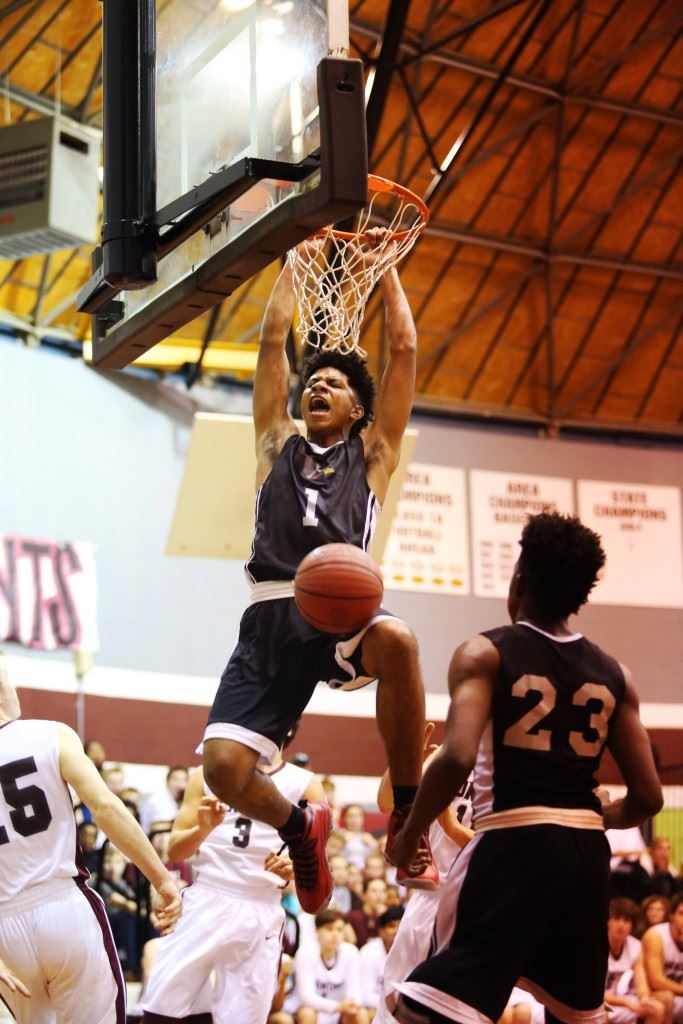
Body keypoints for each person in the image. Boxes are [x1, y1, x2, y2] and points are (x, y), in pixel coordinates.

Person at [202, 235, 435, 915]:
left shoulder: (372, 457)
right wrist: (291, 264)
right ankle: (301, 830)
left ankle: (407, 814)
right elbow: (274, 337)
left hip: (343, 618)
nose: (317, 386)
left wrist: (386, 270)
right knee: (222, 770)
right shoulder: (275, 444)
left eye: (333, 382)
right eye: (313, 382)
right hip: (271, 616)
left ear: (358, 408)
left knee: (400, 643)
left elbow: (406, 352)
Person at [388, 511, 663, 1024]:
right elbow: (649, 799)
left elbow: (457, 757)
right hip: (585, 855)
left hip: (513, 841)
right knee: (575, 1014)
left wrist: (410, 831)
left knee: (431, 1009)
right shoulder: (616, 675)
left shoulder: (485, 652)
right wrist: (598, 816)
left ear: (520, 577)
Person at [0, 653, 182, 1024]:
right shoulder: (51, 734)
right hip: (63, 907)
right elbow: (107, 809)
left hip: (5, 930)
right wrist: (162, 880)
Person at [140, 753, 323, 1024]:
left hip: (261, 903)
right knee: (161, 1012)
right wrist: (202, 830)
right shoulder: (205, 773)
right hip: (206, 894)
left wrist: (296, 866)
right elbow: (176, 849)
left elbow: (321, 864)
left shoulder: (306, 784)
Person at [375, 723, 474, 1023]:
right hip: (427, 898)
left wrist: (454, 830)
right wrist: (405, 763)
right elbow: (386, 802)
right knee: (390, 1009)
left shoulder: (515, 767)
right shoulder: (449, 752)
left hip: (471, 904)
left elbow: (508, 846)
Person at [291, 908, 369, 1024]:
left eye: (339, 930)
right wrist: (338, 1006)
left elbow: (354, 992)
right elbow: (307, 997)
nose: (335, 934)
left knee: (360, 1013)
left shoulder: (351, 952)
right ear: (317, 931)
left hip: (340, 1009)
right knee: (307, 1013)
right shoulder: (305, 953)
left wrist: (351, 1004)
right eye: (329, 929)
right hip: (311, 1009)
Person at [605, 897, 665, 1024]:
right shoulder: (595, 947)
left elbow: (641, 981)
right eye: (616, 919)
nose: (621, 925)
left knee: (656, 1009)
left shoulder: (635, 945)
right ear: (607, 922)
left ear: (632, 925)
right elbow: (593, 993)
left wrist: (645, 999)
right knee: (602, 1015)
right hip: (600, 1002)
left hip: (622, 1000)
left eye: (626, 921)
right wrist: (626, 1003)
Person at [642, 891, 683, 1023]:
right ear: (671, 915)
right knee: (666, 998)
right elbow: (656, 981)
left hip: (678, 995)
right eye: (682, 914)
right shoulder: (656, 936)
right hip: (649, 994)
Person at [359, 905, 403, 1016]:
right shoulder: (368, 952)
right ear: (381, 931)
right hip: (375, 1007)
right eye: (392, 926)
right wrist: (392, 1007)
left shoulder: (412, 951)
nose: (397, 931)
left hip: (400, 1009)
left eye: (401, 926)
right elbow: (366, 995)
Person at [139, 765, 189, 836]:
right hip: (153, 837)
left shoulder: (186, 800)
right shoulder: (157, 800)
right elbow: (157, 827)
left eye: (184, 780)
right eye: (175, 780)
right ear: (167, 781)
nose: (180, 784)